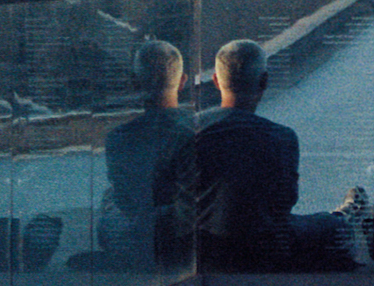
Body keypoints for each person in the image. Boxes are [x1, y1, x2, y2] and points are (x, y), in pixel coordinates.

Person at [184, 37, 306, 268]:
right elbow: (285, 202)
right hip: (260, 251)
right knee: (326, 225)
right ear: (264, 81)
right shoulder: (282, 137)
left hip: (200, 250)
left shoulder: (187, 131)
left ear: (216, 81)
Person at [99, 40, 199, 268]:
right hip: (184, 251)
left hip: (140, 250)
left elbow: (126, 203)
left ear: (135, 82)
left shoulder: (118, 139)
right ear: (182, 82)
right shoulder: (197, 132)